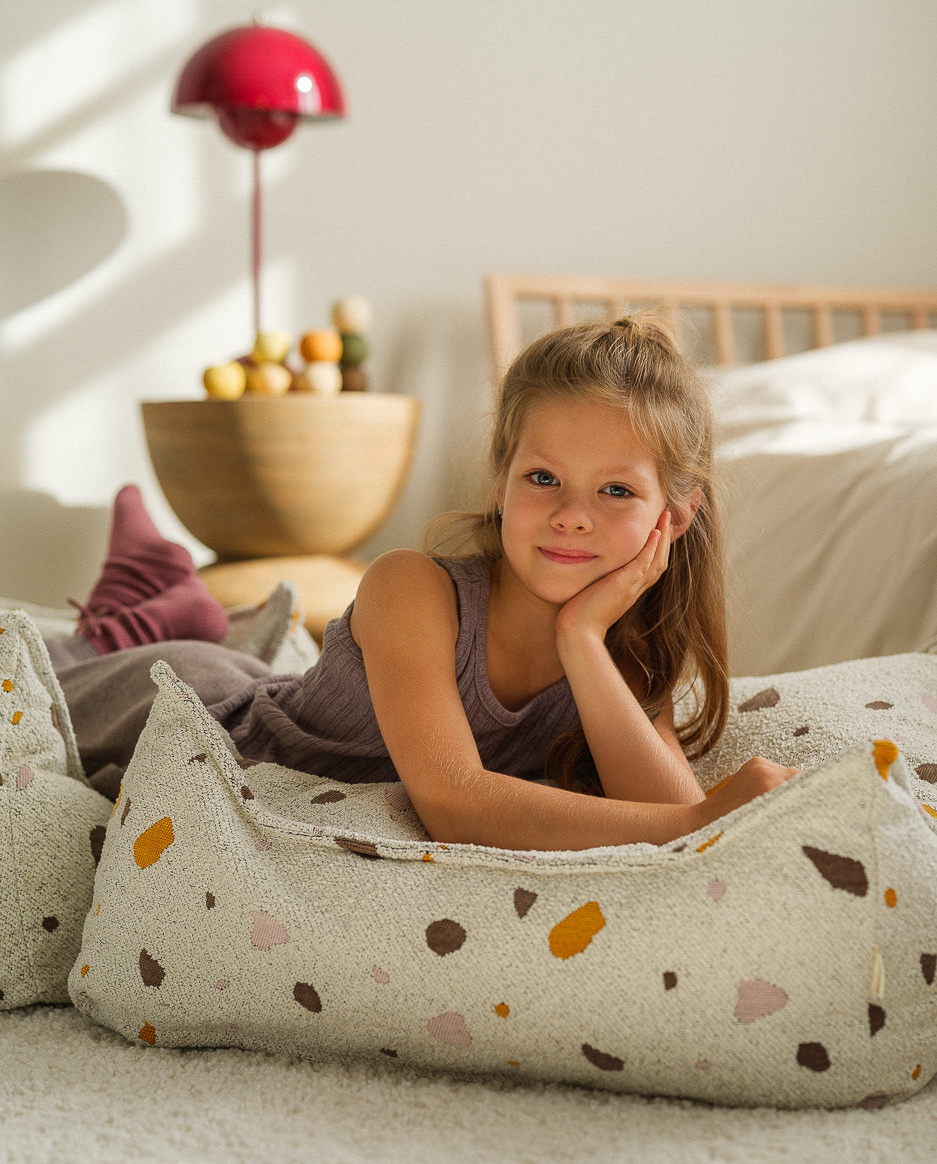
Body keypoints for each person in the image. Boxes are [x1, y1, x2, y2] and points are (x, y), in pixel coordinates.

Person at [44, 316, 798, 850]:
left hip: (266, 687)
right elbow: (454, 802)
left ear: (675, 515)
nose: (572, 515)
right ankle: (141, 609)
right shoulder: (412, 586)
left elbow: (670, 815)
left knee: (230, 649)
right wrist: (696, 822)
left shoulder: (619, 654)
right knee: (46, 673)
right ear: (500, 479)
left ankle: (175, 602)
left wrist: (580, 638)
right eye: (543, 478)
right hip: (210, 716)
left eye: (616, 491)